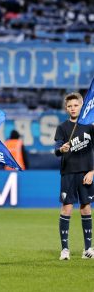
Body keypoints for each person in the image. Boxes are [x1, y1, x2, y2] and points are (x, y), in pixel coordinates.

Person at [54, 92, 94, 260]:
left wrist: (92, 171)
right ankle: (65, 249)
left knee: (85, 208)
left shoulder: (90, 127)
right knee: (67, 208)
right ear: (66, 108)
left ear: (82, 106)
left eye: (76, 105)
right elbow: (57, 149)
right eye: (69, 106)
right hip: (68, 173)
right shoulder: (62, 128)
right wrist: (61, 149)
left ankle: (88, 249)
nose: (72, 108)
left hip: (86, 173)